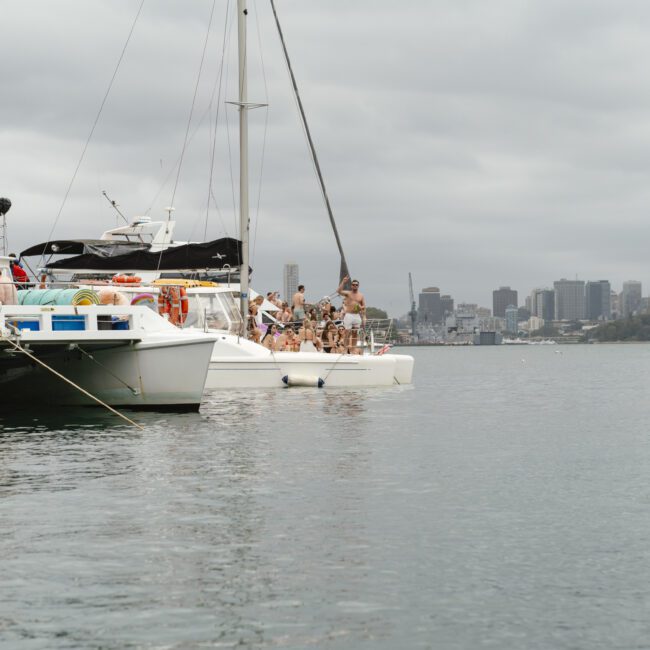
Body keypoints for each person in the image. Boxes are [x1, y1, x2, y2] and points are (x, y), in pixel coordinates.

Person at [336, 275, 366, 354]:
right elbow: (338, 291)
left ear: (358, 286)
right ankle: (345, 349)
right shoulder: (348, 293)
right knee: (347, 332)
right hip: (349, 315)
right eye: (353, 284)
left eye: (356, 285)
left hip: (357, 315)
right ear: (351, 286)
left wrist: (360, 308)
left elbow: (364, 306)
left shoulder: (361, 295)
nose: (355, 286)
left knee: (355, 333)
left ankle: (353, 349)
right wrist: (343, 282)